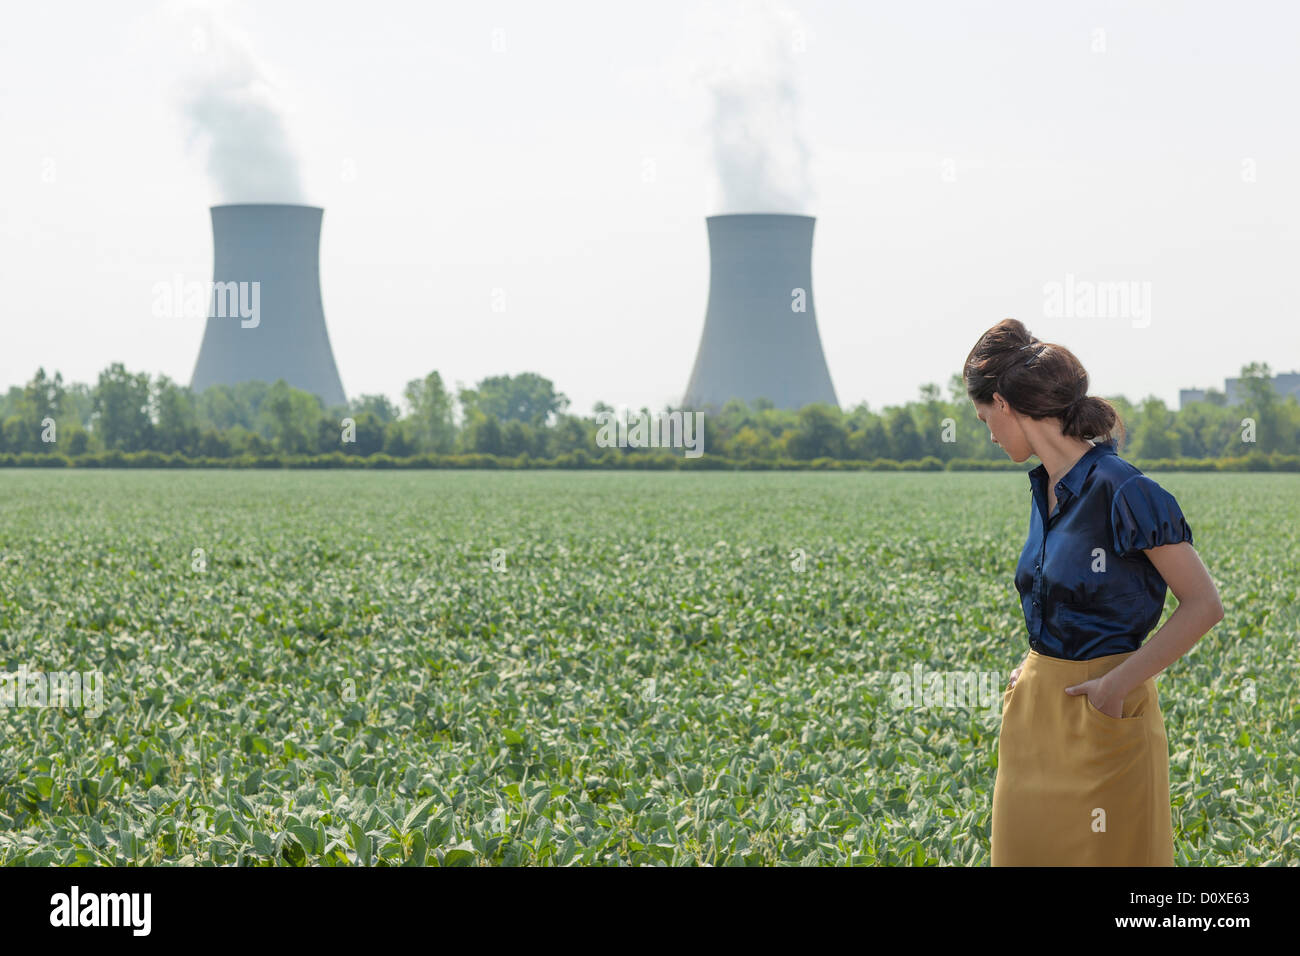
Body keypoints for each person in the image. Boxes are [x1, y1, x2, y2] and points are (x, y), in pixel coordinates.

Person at [965, 318, 1224, 866]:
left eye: (984, 417)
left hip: (1104, 712)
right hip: (1036, 718)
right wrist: (1031, 668)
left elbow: (1203, 604)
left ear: (1005, 404)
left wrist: (1113, 687)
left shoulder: (1124, 488)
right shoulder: (1046, 489)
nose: (988, 433)